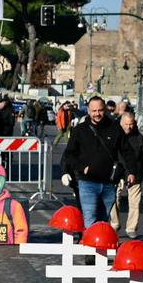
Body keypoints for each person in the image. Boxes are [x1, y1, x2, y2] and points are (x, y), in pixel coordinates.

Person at [60, 96, 123, 225]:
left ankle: (97, 243)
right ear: (88, 111)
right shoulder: (79, 130)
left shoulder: (115, 128)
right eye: (94, 111)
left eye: (100, 110)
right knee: (90, 217)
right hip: (87, 182)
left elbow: (125, 152)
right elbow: (69, 154)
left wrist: (126, 174)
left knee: (102, 221)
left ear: (104, 109)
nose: (97, 114)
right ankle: (89, 243)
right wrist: (80, 168)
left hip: (109, 183)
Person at [110, 110, 143, 235]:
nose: (128, 127)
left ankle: (131, 228)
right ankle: (115, 223)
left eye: (131, 124)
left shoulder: (139, 138)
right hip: (116, 173)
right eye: (126, 124)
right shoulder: (113, 136)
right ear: (120, 123)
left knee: (134, 203)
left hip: (136, 174)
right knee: (113, 199)